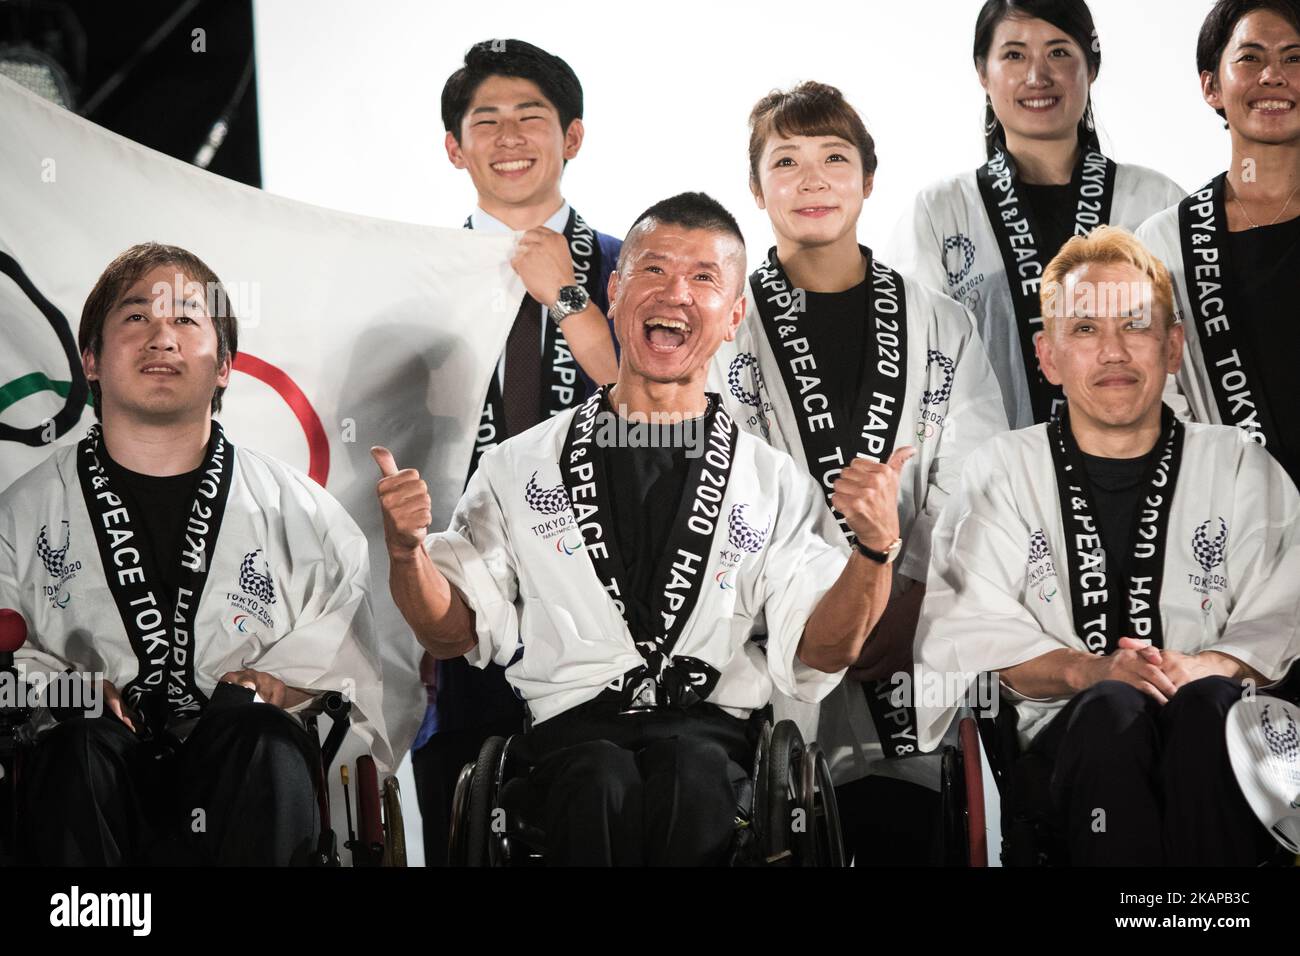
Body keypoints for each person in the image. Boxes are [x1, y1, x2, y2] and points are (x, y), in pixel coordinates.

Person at [374, 193, 907, 866]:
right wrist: (406, 552)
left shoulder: (770, 482)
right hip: (567, 745)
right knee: (597, 778)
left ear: (734, 314)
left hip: (719, 749)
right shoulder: (519, 466)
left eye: (704, 278)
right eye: (653, 270)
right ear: (616, 289)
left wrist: (873, 551)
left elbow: (826, 650)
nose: (675, 292)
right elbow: (450, 631)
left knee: (690, 777)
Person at [913, 226, 1300, 866]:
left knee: (1207, 706)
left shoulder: (1238, 465)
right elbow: (968, 633)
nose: (1114, 352)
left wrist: (1207, 667)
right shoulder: (1001, 470)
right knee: (1113, 709)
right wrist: (1092, 671)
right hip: (1064, 748)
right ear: (1048, 355)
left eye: (1136, 327)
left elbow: (1284, 616)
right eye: (1085, 330)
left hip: (1213, 728)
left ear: (1174, 345)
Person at [0, 242, 388, 865]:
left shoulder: (303, 515)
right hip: (95, 769)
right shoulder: (19, 516)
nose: (162, 338)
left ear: (226, 365)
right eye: (135, 318)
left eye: (186, 318)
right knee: (77, 746)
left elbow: (348, 665)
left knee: (261, 737)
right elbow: (6, 660)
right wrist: (66, 691)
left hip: (239, 768)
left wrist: (279, 686)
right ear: (92, 361)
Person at [711, 81, 1007, 865]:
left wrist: (905, 598)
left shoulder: (940, 319)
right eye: (787, 161)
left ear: (869, 179)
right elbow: (709, 484)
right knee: (778, 824)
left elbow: (974, 480)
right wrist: (812, 604)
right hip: (769, 634)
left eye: (834, 158)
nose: (812, 181)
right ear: (755, 187)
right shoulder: (722, 322)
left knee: (898, 828)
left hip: (906, 633)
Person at [409, 38, 624, 866]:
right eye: (485, 120)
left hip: (609, 605)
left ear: (571, 137)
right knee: (461, 814)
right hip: (463, 605)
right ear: (454, 148)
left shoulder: (635, 265)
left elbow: (665, 407)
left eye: (531, 116)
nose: (509, 136)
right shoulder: (414, 279)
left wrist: (569, 297)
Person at [890, 0, 1184, 429]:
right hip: (989, 480)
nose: (1036, 76)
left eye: (1059, 52)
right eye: (1013, 55)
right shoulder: (939, 213)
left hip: (1139, 474)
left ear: (1092, 68)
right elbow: (918, 369)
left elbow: (1189, 359)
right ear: (982, 72)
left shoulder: (1155, 203)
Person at [1136, 0, 1300, 487]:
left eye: (1295, 57)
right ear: (1211, 86)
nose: (1274, 75)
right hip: (1236, 525)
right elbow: (1160, 399)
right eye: (1250, 57)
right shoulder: (1167, 240)